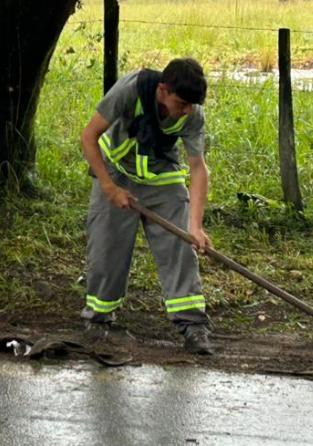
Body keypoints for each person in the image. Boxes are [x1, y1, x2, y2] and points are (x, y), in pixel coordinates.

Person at [78, 58, 214, 355]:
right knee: (106, 250)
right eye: (183, 102)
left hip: (161, 179)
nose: (188, 110)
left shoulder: (192, 113)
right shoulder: (129, 90)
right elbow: (88, 137)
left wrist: (195, 226)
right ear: (163, 90)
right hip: (115, 173)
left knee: (181, 246)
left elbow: (198, 168)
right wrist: (109, 188)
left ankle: (193, 326)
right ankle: (98, 320)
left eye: (193, 104)